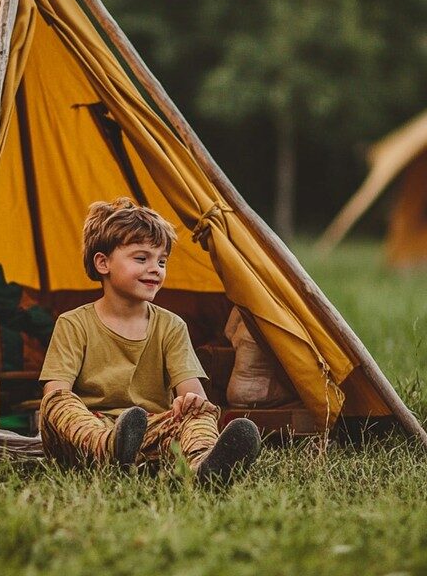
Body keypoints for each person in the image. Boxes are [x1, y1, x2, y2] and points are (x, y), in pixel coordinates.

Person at [38, 197, 261, 483]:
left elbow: (193, 394)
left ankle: (203, 466)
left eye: (162, 261)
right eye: (141, 258)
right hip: (84, 438)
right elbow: (56, 394)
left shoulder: (171, 326)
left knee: (199, 413)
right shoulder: (73, 323)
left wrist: (190, 402)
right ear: (103, 263)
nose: (156, 268)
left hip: (148, 433)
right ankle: (110, 448)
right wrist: (99, 431)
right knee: (56, 403)